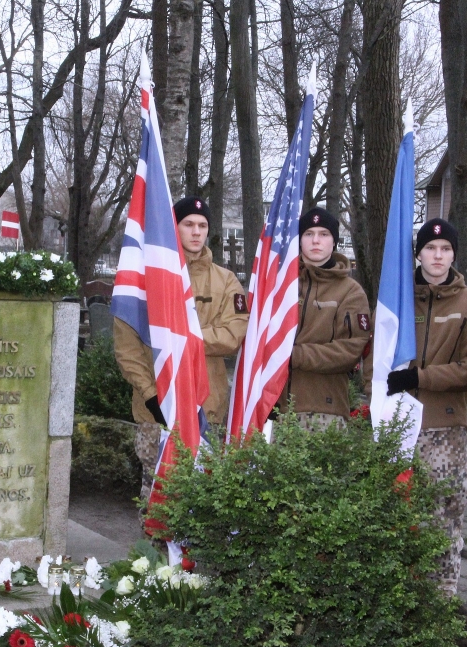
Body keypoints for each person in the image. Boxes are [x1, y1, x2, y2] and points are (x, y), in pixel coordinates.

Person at [369, 218, 467, 599]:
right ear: (418, 253)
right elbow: (375, 357)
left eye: (445, 249)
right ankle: (397, 600)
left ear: (454, 254)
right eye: (430, 248)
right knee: (396, 517)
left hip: (444, 430)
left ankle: (439, 604)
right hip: (397, 426)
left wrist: (418, 378)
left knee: (443, 520)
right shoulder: (398, 299)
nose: (438, 256)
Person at [113, 196, 249, 504]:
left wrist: (182, 335)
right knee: (155, 504)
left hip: (206, 409)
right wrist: (151, 394)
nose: (196, 232)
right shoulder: (143, 280)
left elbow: (232, 334)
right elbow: (126, 348)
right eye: (188, 224)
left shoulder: (226, 281)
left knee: (202, 505)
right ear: (174, 228)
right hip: (156, 411)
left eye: (202, 226)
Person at [276, 207, 370, 429]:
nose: (316, 240)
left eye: (324, 234)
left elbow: (349, 351)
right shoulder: (280, 284)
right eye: (309, 234)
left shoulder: (350, 292)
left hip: (325, 410)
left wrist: (293, 355)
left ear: (334, 241)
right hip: (275, 408)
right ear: (299, 240)